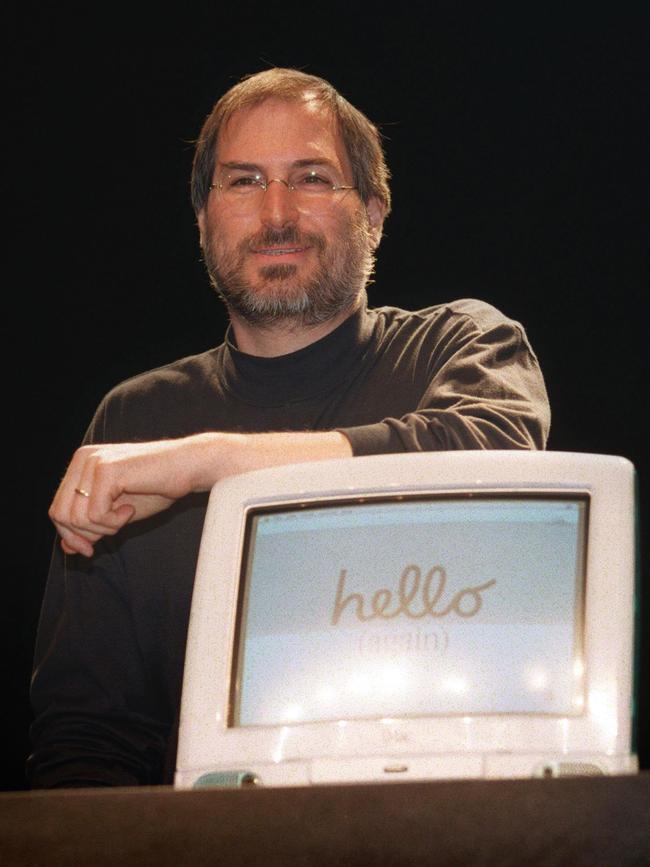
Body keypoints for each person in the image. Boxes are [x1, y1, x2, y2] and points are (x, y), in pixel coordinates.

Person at [28, 68, 550, 787]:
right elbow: (85, 732)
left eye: (310, 177)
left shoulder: (460, 347)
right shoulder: (134, 419)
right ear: (203, 219)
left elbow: (486, 452)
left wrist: (212, 463)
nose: (276, 213)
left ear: (373, 211)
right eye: (243, 181)